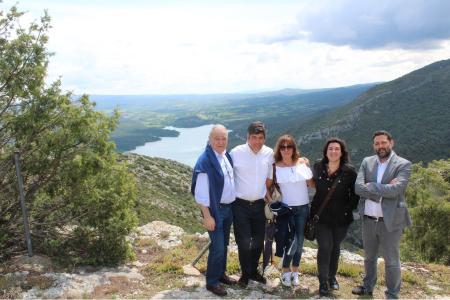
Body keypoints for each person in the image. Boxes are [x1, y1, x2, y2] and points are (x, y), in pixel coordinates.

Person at [352, 130, 412, 299]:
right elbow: (358, 188)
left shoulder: (403, 164)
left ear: (391, 143)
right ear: (374, 145)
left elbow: (396, 190)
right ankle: (367, 286)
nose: (380, 146)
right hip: (369, 219)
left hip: (391, 220)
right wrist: (382, 190)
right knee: (369, 257)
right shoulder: (367, 162)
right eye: (377, 143)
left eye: (383, 142)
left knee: (392, 261)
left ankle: (392, 294)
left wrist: (370, 186)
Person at [191, 124, 237, 297]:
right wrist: (207, 215)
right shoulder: (205, 161)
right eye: (217, 138)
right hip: (214, 211)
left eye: (223, 138)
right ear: (210, 140)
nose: (220, 141)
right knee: (217, 246)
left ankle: (221, 274)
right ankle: (211, 282)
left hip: (228, 209)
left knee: (223, 244)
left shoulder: (225, 156)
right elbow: (200, 193)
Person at [310, 138, 359, 296]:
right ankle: (323, 281)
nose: (333, 151)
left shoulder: (349, 171)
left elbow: (355, 194)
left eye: (337, 149)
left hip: (341, 219)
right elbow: (310, 181)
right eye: (330, 148)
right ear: (326, 151)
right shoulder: (318, 166)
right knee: (325, 247)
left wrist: (347, 210)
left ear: (342, 152)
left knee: (335, 247)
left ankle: (332, 277)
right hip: (321, 216)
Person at [266, 134, 313, 287]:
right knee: (288, 241)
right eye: (283, 147)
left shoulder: (301, 163)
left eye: (289, 146)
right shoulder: (275, 167)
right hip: (286, 210)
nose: (286, 150)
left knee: (299, 242)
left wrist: (307, 165)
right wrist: (271, 202)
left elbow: (312, 184)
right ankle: (285, 271)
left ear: (293, 148)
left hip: (303, 208)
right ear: (279, 149)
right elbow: (266, 187)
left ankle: (295, 271)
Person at [231, 121, 274, 287]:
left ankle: (254, 272)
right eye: (253, 137)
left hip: (259, 205)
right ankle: (245, 274)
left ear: (264, 138)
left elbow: (270, 177)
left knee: (257, 240)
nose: (257, 141)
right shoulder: (236, 152)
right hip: (239, 205)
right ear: (247, 137)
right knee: (243, 241)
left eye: (260, 138)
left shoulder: (269, 153)